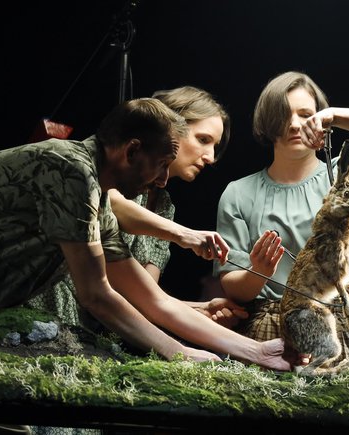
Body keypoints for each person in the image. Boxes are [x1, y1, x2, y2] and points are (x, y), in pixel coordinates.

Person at [0, 97, 296, 372]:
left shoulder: (97, 200)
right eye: (161, 166)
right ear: (132, 151)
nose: (163, 179)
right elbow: (97, 295)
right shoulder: (70, 170)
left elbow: (151, 300)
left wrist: (254, 351)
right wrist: (178, 353)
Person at [214, 71, 349, 366]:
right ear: (268, 122)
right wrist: (258, 271)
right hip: (265, 333)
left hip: (329, 323)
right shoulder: (239, 193)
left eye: (305, 114)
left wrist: (333, 116)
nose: (294, 124)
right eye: (282, 115)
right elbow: (232, 285)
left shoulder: (341, 182)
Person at [27, 86, 247, 330]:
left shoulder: (164, 208)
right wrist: (185, 234)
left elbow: (145, 298)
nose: (210, 156)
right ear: (170, 125)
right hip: (46, 306)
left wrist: (199, 308)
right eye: (203, 140)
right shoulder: (118, 177)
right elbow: (111, 202)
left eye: (215, 146)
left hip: (97, 325)